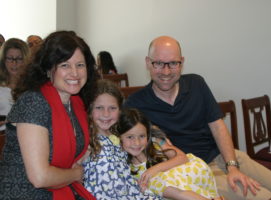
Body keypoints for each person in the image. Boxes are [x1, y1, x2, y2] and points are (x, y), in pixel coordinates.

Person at [124, 35, 271, 200]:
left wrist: (232, 167)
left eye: (173, 63)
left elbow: (217, 126)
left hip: (225, 155)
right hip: (195, 172)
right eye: (158, 63)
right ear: (147, 62)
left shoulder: (196, 84)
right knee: (264, 197)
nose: (166, 71)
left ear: (182, 62)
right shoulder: (136, 104)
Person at [0, 31, 97, 199]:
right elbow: (40, 177)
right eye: (65, 65)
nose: (75, 73)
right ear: (47, 69)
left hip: (61, 188)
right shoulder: (33, 102)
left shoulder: (75, 103)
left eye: (80, 65)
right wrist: (75, 173)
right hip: (26, 194)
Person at [115, 108, 224, 200]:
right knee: (154, 183)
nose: (137, 143)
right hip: (176, 190)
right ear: (119, 137)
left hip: (191, 172)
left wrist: (155, 169)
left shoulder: (156, 143)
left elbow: (182, 158)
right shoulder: (122, 161)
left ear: (148, 135)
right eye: (130, 137)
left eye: (142, 136)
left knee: (157, 181)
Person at [82, 79, 162, 200]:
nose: (106, 114)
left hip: (132, 193)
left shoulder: (119, 134)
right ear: (90, 109)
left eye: (112, 108)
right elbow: (74, 172)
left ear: (120, 110)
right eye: (99, 107)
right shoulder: (87, 140)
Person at [0, 38, 30, 134]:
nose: (14, 63)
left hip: (27, 136)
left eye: (19, 59)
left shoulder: (32, 86)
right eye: (10, 58)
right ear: (3, 60)